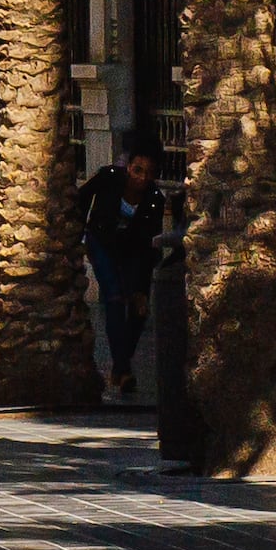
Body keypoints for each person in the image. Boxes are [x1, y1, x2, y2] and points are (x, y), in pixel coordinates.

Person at [82, 126, 169, 393]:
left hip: (132, 254)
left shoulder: (154, 201)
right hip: (102, 244)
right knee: (114, 298)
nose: (141, 178)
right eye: (137, 170)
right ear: (128, 166)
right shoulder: (109, 178)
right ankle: (123, 369)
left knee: (138, 312)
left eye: (149, 173)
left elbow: (149, 246)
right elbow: (80, 200)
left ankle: (121, 366)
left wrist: (141, 289)